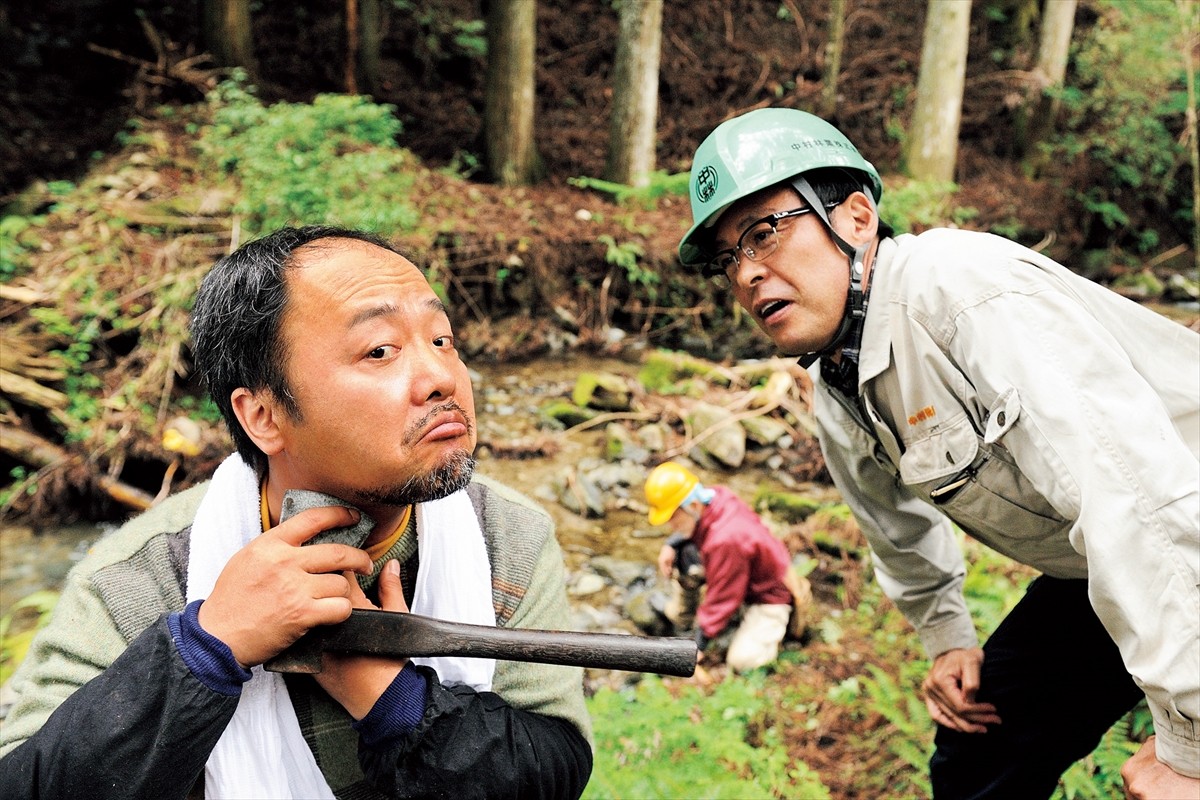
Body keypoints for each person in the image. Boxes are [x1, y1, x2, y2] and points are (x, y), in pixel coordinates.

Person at [676, 107, 1199, 798]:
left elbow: (1134, 495)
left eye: (764, 233)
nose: (745, 274)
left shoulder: (964, 290)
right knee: (978, 753)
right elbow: (892, 526)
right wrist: (948, 636)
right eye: (727, 258)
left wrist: (1190, 744)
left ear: (857, 218)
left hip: (1177, 533)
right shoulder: (836, 382)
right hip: (1102, 565)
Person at [0, 226, 593, 799]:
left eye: (441, 340)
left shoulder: (505, 537)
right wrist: (207, 648)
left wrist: (390, 696)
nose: (443, 377)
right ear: (262, 415)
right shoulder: (139, 579)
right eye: (381, 350)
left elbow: (556, 765)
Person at [643, 461, 810, 673]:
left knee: (742, 661)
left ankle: (780, 634)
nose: (670, 525)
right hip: (743, 571)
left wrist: (698, 645)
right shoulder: (715, 495)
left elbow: (724, 596)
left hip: (770, 593)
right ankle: (683, 617)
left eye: (672, 517)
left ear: (692, 506)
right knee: (683, 553)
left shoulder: (725, 540)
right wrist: (671, 544)